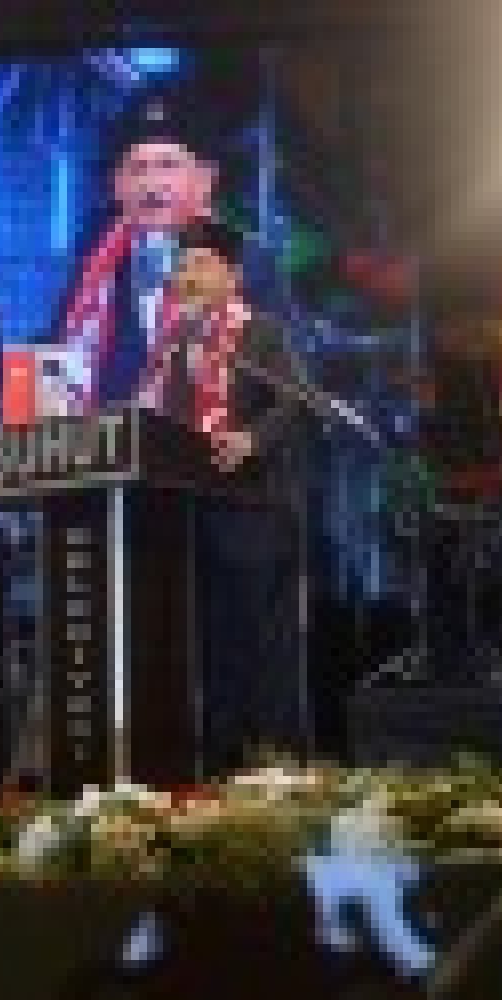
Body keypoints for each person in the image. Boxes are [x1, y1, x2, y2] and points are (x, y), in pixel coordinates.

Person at [158, 217, 309, 773]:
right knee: (210, 642)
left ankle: (274, 764)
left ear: (233, 276)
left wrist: (250, 439)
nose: (188, 276)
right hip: (194, 510)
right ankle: (219, 764)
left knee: (260, 641)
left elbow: (294, 401)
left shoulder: (261, 333)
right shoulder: (175, 341)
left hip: (255, 507)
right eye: (182, 266)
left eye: (201, 265)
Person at [59, 89, 218, 411]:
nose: (152, 185)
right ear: (118, 186)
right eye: (138, 168)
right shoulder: (93, 266)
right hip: (107, 438)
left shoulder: (244, 262)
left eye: (168, 166)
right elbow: (54, 355)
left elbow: (280, 388)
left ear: (204, 180)